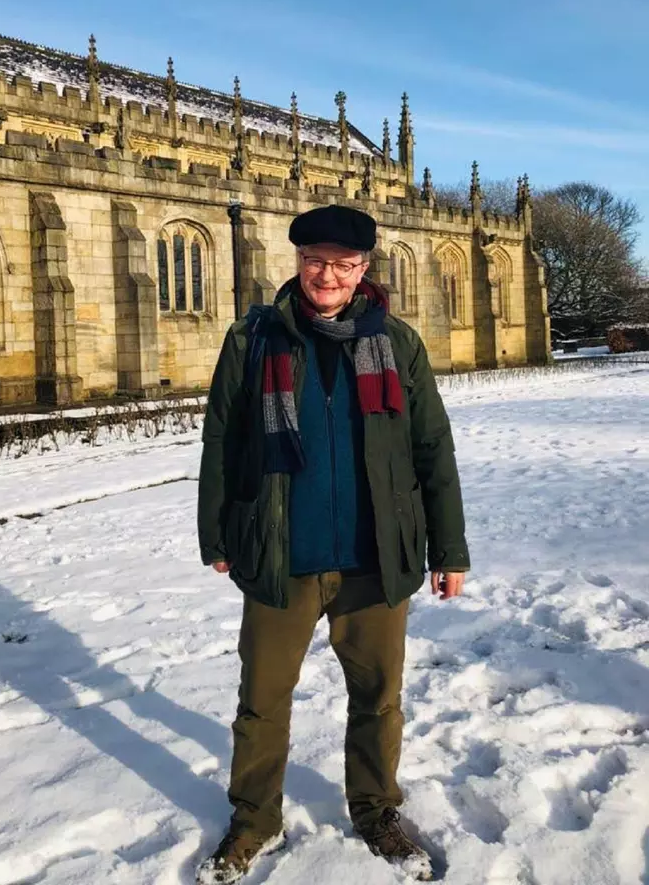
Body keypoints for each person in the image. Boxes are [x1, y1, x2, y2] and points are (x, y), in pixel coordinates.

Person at [196, 204, 469, 883]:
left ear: (364, 270)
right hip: (281, 553)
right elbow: (222, 440)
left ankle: (375, 809)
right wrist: (216, 531)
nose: (328, 275)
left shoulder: (398, 344)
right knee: (263, 699)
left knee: (378, 696)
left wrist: (450, 548)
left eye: (344, 265)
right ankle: (254, 817)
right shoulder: (253, 338)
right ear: (297, 261)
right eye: (316, 260)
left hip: (376, 559)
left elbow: (432, 448)